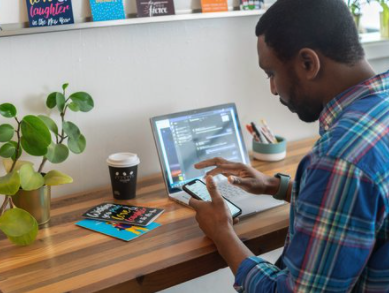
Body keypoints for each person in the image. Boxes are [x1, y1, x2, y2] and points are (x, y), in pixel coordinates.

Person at [189, 0, 389, 292]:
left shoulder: (339, 158)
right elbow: (363, 208)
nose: (272, 89)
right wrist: (275, 186)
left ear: (308, 63)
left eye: (271, 73)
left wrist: (223, 234)